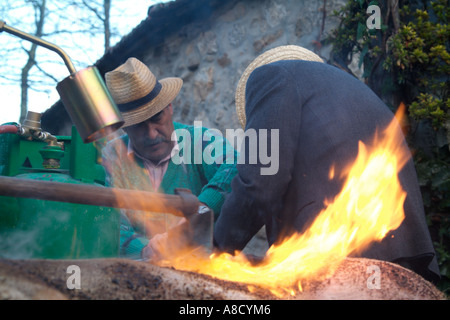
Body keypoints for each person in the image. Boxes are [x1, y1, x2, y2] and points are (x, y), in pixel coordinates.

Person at [213, 45, 440, 283]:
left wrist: (213, 252)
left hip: (347, 263)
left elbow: (260, 182)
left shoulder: (269, 77)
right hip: (409, 263)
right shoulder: (347, 93)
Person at [101, 57, 238, 259]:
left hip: (204, 273)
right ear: (124, 125)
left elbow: (236, 165)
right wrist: (146, 250)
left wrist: (197, 213)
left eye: (157, 118)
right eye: (139, 125)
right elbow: (107, 224)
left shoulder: (200, 140)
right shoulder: (112, 156)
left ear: (169, 107)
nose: (152, 134)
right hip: (134, 274)